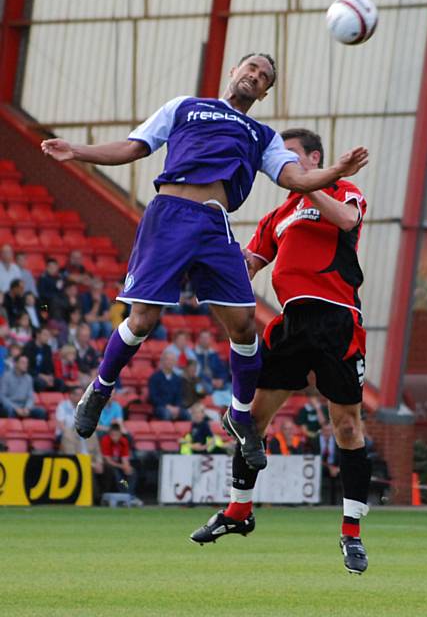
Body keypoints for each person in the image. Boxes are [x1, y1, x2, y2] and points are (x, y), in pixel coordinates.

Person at [41, 53, 367, 467]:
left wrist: (335, 169)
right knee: (142, 319)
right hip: (170, 216)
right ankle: (100, 389)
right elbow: (132, 146)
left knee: (246, 325)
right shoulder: (185, 107)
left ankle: (242, 417)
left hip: (215, 224)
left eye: (264, 76)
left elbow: (297, 180)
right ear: (233, 71)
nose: (255, 75)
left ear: (265, 93)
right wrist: (77, 150)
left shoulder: (262, 135)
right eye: (250, 67)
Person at [191, 128, 370, 575]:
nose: (284, 167)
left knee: (347, 426)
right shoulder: (276, 217)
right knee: (249, 419)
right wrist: (208, 264)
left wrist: (311, 189)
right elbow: (249, 265)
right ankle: (238, 512)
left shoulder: (342, 190)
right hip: (290, 322)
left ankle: (351, 533)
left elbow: (348, 222)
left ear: (314, 159)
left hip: (337, 319)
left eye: (291, 157)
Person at [100, 422, 142, 506]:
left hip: (119, 464)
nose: (114, 438)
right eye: (112, 435)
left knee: (132, 472)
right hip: (108, 465)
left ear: (120, 434)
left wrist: (127, 467)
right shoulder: (105, 440)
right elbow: (107, 460)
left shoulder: (124, 441)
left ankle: (129, 495)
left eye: (116, 435)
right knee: (118, 476)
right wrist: (122, 466)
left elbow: (124, 458)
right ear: (110, 434)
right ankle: (126, 496)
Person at [148, 350, 190, 421]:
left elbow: (180, 396)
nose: (170, 362)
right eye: (168, 359)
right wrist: (167, 406)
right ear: (162, 361)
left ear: (175, 362)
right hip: (160, 407)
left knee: (187, 415)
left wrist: (177, 408)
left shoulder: (177, 379)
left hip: (175, 408)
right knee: (166, 414)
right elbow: (153, 397)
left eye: (172, 360)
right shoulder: (154, 378)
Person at [0, 354, 46, 419]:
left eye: (27, 363)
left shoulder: (29, 378)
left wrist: (27, 408)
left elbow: (30, 397)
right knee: (7, 411)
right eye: (23, 363)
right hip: (11, 407)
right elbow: (2, 397)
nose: (26, 365)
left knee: (41, 412)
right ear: (16, 364)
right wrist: (16, 408)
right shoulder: (6, 376)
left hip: (24, 407)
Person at [23, 327, 64, 392]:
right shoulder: (28, 347)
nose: (47, 337)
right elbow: (27, 367)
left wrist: (50, 376)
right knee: (40, 383)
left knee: (60, 383)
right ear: (38, 335)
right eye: (45, 335)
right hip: (32, 375)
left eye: (48, 335)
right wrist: (41, 376)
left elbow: (50, 366)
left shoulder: (48, 349)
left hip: (45, 376)